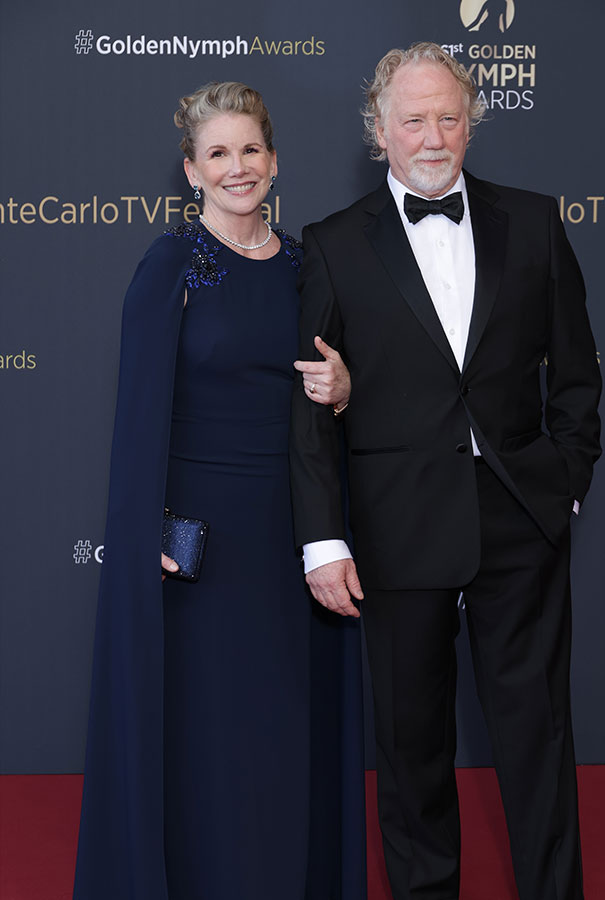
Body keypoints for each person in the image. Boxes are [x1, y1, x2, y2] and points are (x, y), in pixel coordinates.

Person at [290, 43, 602, 900]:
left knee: (538, 741)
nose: (434, 137)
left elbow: (577, 375)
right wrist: (324, 539)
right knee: (413, 746)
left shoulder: (534, 222)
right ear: (378, 133)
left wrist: (564, 480)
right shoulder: (331, 244)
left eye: (449, 118)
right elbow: (311, 404)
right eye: (414, 120)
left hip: (519, 518)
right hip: (398, 529)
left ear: (471, 125)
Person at [73, 81, 366, 900]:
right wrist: (149, 536)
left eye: (249, 151)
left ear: (273, 161)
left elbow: (335, 397)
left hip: (296, 535)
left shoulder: (312, 266)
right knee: (213, 742)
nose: (236, 168)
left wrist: (344, 389)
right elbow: (137, 422)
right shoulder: (170, 267)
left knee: (285, 732)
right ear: (192, 171)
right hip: (201, 547)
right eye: (217, 154)